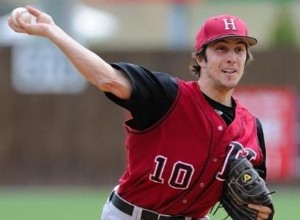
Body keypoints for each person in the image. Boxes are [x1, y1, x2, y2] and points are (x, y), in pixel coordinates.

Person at [8, 5, 274, 220]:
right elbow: (107, 79)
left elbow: (254, 203)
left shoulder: (251, 128)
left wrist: (260, 212)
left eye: (239, 50)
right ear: (201, 59)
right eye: (221, 49)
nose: (232, 58)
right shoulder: (167, 95)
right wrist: (53, 32)